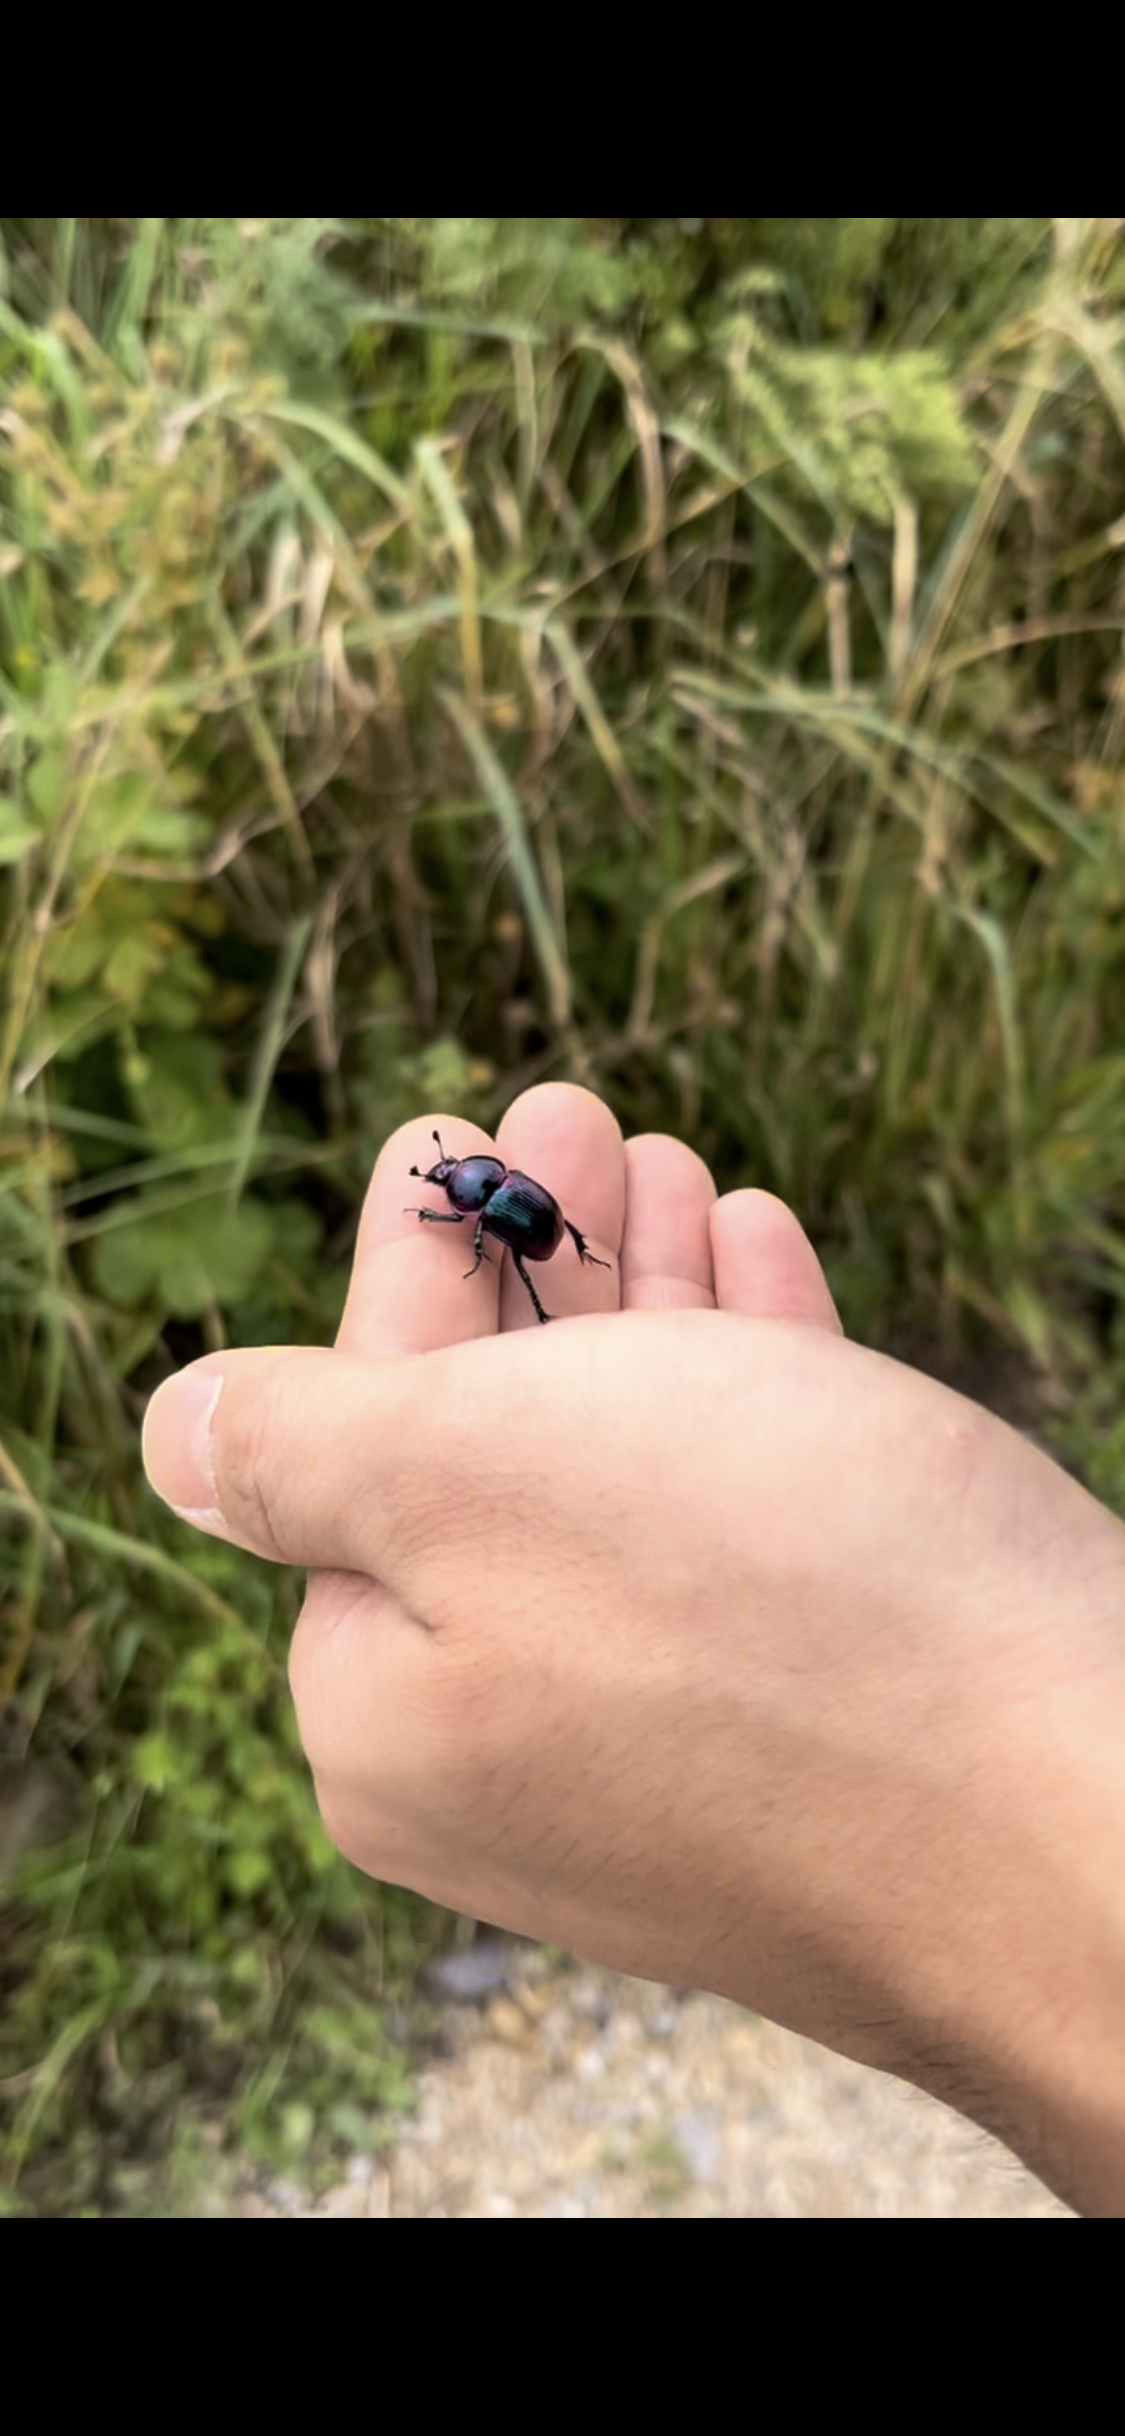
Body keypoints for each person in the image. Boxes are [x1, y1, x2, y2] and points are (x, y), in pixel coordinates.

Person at [142, 1084, 1125, 2216]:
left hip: (546, 1235)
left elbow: (504, 1225)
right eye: (454, 1193)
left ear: (475, 1197)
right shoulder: (499, 1201)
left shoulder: (495, 1210)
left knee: (536, 1237)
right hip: (551, 1230)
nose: (453, 1193)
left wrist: (886, 1874)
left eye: (453, 1192)